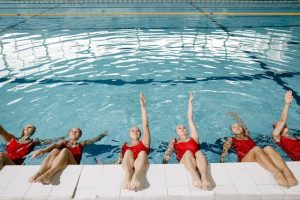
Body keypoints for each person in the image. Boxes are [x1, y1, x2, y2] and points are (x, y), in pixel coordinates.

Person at [221, 112, 298, 188]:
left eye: (239, 126)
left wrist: (236, 116)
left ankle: (287, 172)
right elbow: (225, 151)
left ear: (243, 129)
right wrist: (222, 161)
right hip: (244, 160)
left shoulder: (247, 135)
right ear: (232, 131)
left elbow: (242, 124)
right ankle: (276, 172)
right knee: (257, 148)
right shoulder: (231, 139)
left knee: (268, 148)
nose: (237, 128)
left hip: (257, 156)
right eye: (234, 127)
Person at [162, 92, 212, 190]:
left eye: (184, 127)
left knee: (198, 152)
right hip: (184, 163)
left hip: (198, 162)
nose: (182, 128)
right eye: (179, 128)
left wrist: (190, 101)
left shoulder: (194, 138)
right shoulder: (174, 141)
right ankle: (195, 177)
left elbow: (190, 119)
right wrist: (164, 163)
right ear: (176, 132)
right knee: (188, 152)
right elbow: (168, 152)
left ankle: (205, 177)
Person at [29, 128, 108, 184]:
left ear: (79, 136)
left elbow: (93, 140)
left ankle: (49, 174)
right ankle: (39, 173)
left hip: (74, 165)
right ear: (69, 133)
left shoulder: (80, 144)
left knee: (65, 150)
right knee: (55, 150)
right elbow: (55, 145)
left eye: (76, 132)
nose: (73, 132)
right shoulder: (63, 142)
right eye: (72, 131)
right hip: (61, 162)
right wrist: (43, 150)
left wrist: (102, 135)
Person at [116, 93, 150, 191]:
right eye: (132, 130)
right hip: (128, 163)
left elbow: (145, 125)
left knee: (143, 153)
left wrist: (143, 107)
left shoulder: (144, 142)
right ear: (129, 134)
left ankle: (136, 176)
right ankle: (127, 176)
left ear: (140, 134)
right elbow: (120, 160)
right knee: (127, 152)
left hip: (141, 163)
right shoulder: (125, 146)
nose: (135, 131)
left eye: (137, 130)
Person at [0, 124, 66, 170]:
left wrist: (65, 137)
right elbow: (2, 131)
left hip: (14, 166)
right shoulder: (11, 139)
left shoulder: (33, 142)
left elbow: (51, 141)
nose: (29, 128)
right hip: (3, 162)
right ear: (23, 130)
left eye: (31, 127)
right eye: (28, 126)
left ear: (33, 131)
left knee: (1, 155)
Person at [272, 90, 300, 161]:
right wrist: (287, 104)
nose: (280, 123)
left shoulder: (295, 137)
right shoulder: (277, 136)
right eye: (277, 124)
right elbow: (282, 121)